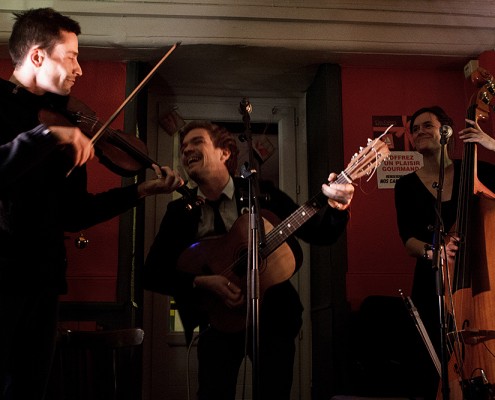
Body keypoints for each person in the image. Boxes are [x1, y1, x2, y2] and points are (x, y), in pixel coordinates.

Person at [0, 8, 183, 400]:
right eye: (71, 56)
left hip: (45, 279)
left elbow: (75, 212)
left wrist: (140, 192)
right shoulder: (11, 111)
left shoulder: (69, 122)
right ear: (37, 56)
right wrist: (46, 133)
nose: (79, 68)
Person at [143, 120, 355, 399]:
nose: (187, 151)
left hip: (274, 319)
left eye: (197, 142)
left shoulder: (262, 193)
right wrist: (201, 282)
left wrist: (339, 208)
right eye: (183, 147)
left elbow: (321, 233)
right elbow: (152, 273)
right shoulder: (179, 211)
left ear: (224, 153)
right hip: (214, 323)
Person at [394, 105, 495, 398]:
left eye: (427, 125)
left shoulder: (477, 170)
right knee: (430, 368)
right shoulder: (405, 185)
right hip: (432, 283)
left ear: (447, 132)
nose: (419, 132)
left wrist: (490, 144)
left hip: (481, 282)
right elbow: (407, 238)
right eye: (414, 129)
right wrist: (434, 253)